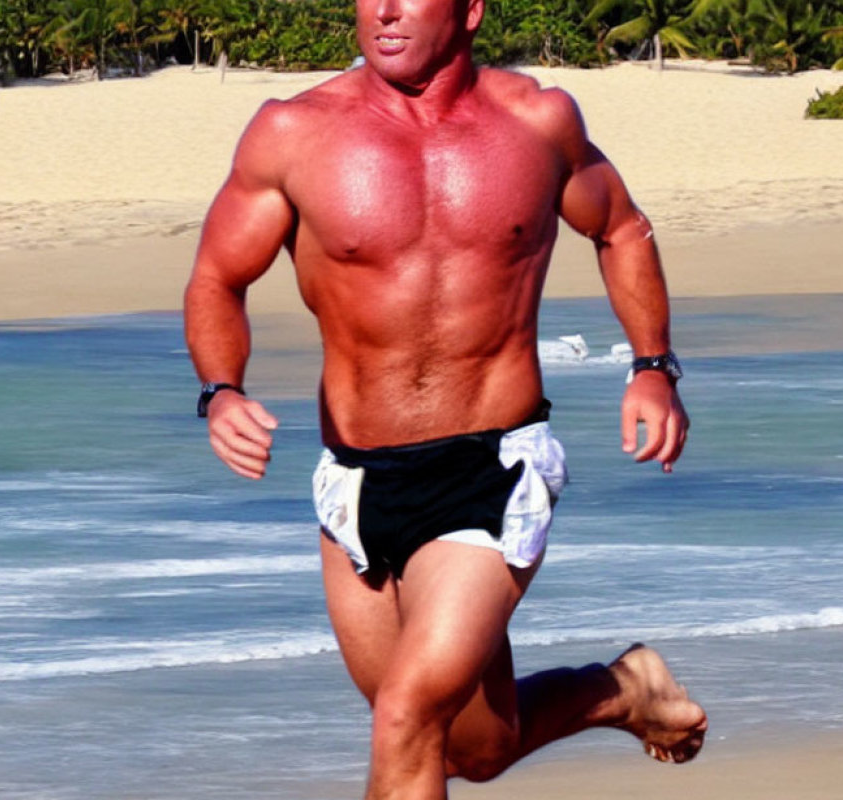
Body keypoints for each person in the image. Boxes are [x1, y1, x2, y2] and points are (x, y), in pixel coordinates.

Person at [184, 0, 707, 796]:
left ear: (469, 11)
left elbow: (622, 229)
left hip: (492, 470)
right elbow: (218, 277)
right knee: (473, 746)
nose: (384, 10)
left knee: (404, 715)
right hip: (357, 481)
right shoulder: (293, 133)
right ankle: (627, 689)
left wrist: (652, 366)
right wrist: (221, 392)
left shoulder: (536, 122)